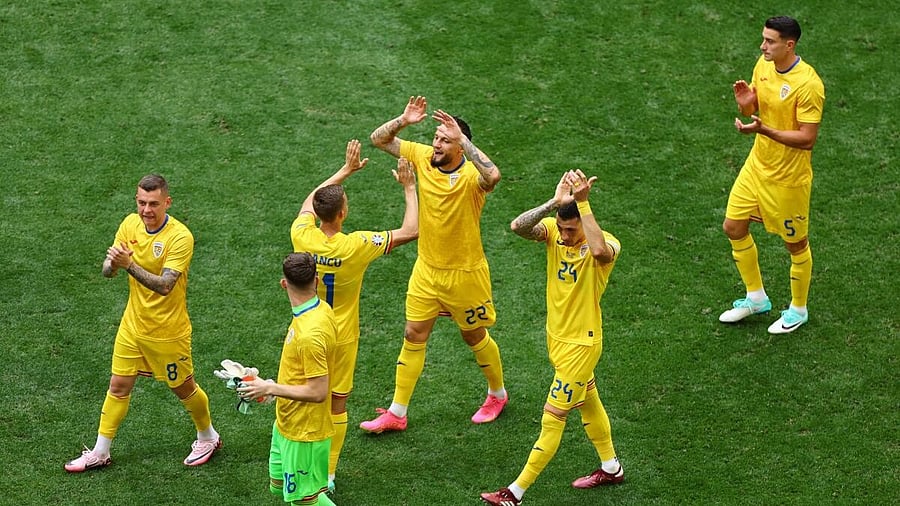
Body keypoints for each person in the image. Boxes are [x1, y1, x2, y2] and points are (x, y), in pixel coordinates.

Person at [360, 96, 508, 433]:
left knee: (473, 336)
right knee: (413, 333)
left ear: (461, 146)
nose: (436, 144)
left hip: (465, 274)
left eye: (445, 140)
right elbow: (379, 139)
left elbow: (494, 174)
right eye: (436, 138)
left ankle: (497, 394)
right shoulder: (424, 157)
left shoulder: (472, 177)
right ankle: (397, 412)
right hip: (427, 270)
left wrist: (464, 138)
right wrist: (403, 121)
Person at [480, 170, 625, 505]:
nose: (563, 235)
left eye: (570, 230)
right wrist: (553, 203)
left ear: (584, 223)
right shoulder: (553, 234)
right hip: (557, 340)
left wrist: (583, 204)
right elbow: (518, 226)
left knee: (553, 416)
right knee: (589, 400)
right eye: (560, 228)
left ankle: (514, 494)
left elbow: (601, 251)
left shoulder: (604, 243)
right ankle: (611, 467)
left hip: (581, 345)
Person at [65, 174, 220, 472]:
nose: (146, 210)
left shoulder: (180, 237)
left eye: (153, 204)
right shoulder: (129, 224)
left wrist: (129, 265)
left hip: (167, 331)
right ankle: (100, 451)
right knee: (118, 385)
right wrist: (112, 264)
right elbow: (107, 271)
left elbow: (164, 286)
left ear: (167, 202)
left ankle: (208, 436)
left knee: (183, 388)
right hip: (133, 326)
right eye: (141, 203)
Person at [290, 139, 419, 492]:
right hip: (341, 335)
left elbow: (309, 202)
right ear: (343, 214)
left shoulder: (302, 236)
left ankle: (297, 464)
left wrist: (344, 172)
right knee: (337, 402)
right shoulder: (357, 245)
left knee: (302, 393)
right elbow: (411, 230)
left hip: (306, 329)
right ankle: (328, 473)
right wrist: (409, 188)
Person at [719, 15, 825, 334]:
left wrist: (765, 129)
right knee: (733, 226)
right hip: (757, 166)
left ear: (789, 45)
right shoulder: (763, 65)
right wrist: (747, 105)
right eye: (763, 39)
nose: (763, 45)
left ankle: (798, 309)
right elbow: (755, 109)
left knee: (796, 245)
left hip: (789, 179)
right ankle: (756, 298)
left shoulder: (808, 85)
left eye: (770, 41)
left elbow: (807, 138)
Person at [237, 252, 338, 506]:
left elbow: (318, 391)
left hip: (304, 431)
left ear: (284, 284)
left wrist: (271, 387)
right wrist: (267, 386)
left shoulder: (310, 334)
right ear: (317, 280)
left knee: (303, 501)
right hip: (287, 423)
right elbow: (301, 371)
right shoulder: (320, 310)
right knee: (278, 487)